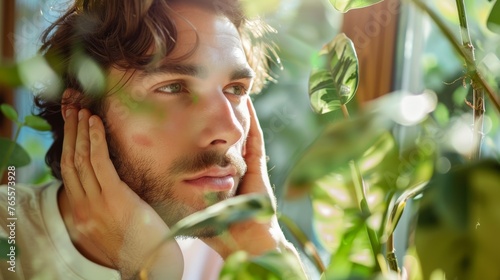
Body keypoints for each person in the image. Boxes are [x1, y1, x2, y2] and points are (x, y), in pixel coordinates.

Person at [0, 0, 306, 279]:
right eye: (173, 88)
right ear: (80, 110)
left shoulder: (239, 249)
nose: (229, 130)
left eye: (236, 89)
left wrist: (266, 252)